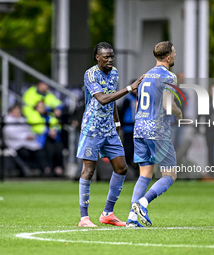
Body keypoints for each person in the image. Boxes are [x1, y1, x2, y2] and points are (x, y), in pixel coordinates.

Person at [76, 42, 143, 227]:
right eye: (106, 57)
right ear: (97, 57)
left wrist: (117, 122)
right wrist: (129, 89)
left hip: (109, 129)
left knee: (121, 168)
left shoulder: (114, 73)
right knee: (88, 170)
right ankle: (84, 218)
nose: (110, 60)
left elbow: (112, 99)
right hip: (92, 128)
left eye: (111, 56)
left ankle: (107, 213)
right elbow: (103, 98)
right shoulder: (90, 74)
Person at [126, 41, 182, 227]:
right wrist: (179, 112)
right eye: (174, 53)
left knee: (145, 174)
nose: (175, 56)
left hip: (139, 128)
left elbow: (137, 104)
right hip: (157, 130)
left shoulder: (144, 77)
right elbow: (168, 105)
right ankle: (142, 203)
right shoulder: (169, 76)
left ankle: (132, 219)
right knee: (170, 175)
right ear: (168, 57)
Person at [3, 103, 51, 176]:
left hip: (29, 142)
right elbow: (9, 133)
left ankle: (45, 170)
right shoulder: (8, 120)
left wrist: (31, 136)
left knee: (40, 151)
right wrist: (25, 137)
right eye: (16, 111)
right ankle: (26, 171)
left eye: (19, 111)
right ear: (11, 111)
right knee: (24, 152)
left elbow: (30, 130)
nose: (18, 112)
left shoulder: (23, 120)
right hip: (16, 144)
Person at [26, 100, 64, 176]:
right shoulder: (33, 115)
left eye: (43, 107)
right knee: (48, 148)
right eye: (40, 107)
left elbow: (56, 124)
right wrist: (48, 131)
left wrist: (54, 130)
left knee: (59, 147)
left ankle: (58, 167)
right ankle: (48, 169)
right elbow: (37, 128)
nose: (42, 108)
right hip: (39, 138)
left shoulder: (49, 115)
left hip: (52, 138)